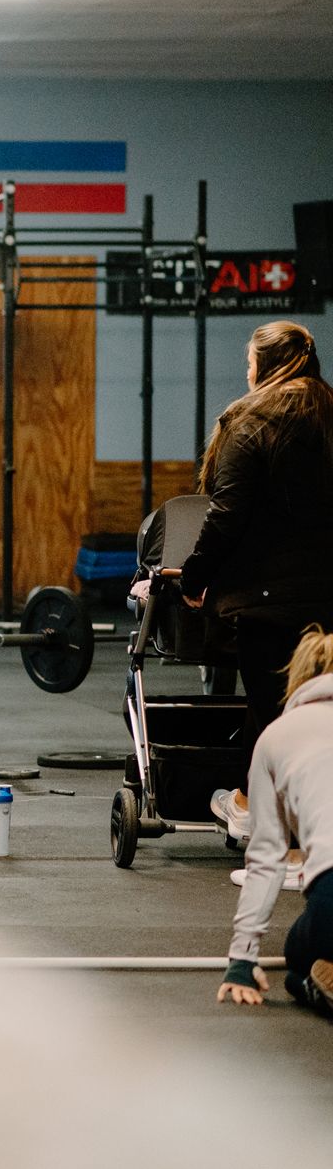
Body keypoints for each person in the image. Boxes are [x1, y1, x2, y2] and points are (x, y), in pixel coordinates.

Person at [177, 321, 333, 843]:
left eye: (249, 362)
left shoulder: (251, 422)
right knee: (316, 711)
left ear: (264, 365)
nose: (247, 373)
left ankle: (253, 812)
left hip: (267, 601)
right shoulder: (330, 417)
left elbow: (227, 515)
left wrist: (195, 576)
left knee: (269, 708)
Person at [215, 628, 333, 1017]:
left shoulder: (276, 737)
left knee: (297, 955)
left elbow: (267, 858)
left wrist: (242, 960)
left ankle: (309, 976)